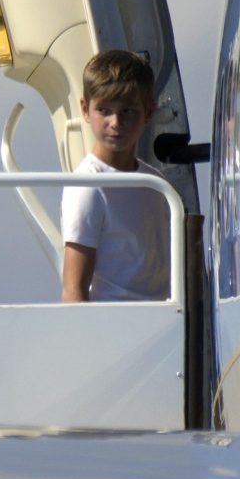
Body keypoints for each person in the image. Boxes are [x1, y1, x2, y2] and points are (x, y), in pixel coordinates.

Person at [60, 49, 169, 302]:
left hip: (164, 323)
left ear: (149, 110)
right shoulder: (89, 186)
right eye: (104, 110)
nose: (116, 122)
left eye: (128, 111)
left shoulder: (157, 184)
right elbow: (73, 287)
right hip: (115, 325)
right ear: (85, 110)